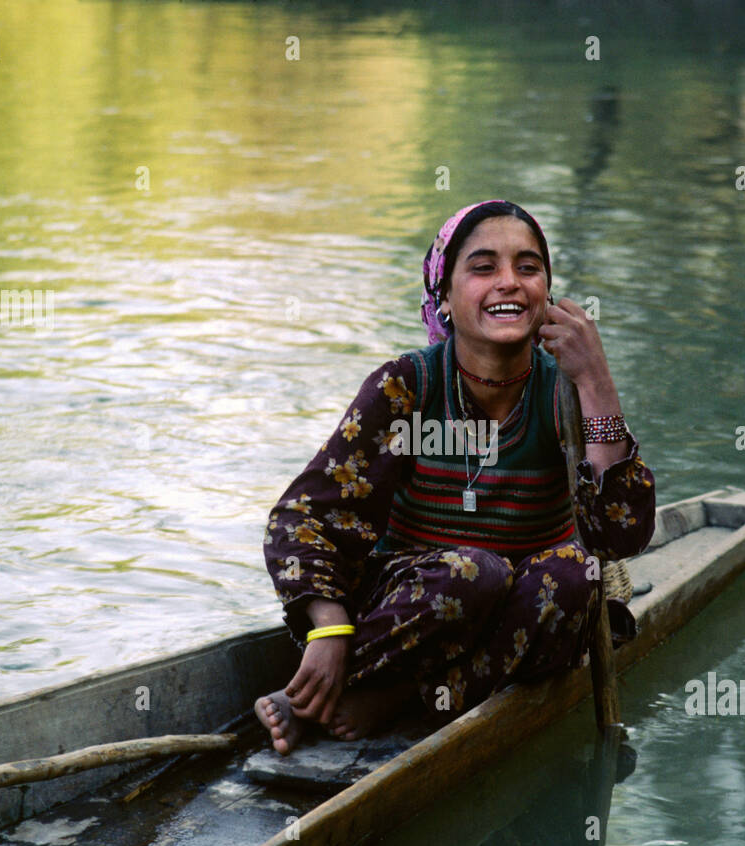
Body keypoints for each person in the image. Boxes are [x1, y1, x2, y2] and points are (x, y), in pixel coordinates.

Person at [256, 200, 656, 755]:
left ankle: (394, 698)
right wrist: (327, 629)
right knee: (473, 574)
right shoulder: (407, 386)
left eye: (528, 267)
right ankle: (334, 685)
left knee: (575, 574)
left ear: (547, 292)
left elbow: (621, 535)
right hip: (425, 602)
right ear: (444, 294)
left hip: (523, 613)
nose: (509, 283)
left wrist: (596, 380)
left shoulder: (565, 390)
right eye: (484, 267)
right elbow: (303, 517)